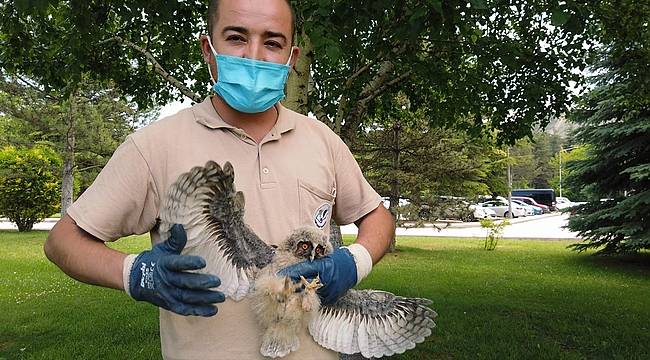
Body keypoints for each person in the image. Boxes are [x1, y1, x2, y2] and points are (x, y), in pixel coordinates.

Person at [44, 0, 395, 358]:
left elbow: (378, 217)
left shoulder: (322, 140)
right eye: (236, 38)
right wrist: (136, 273)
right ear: (207, 49)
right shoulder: (153, 146)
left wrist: (354, 262)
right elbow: (62, 242)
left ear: (292, 58)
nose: (254, 56)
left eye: (272, 42)